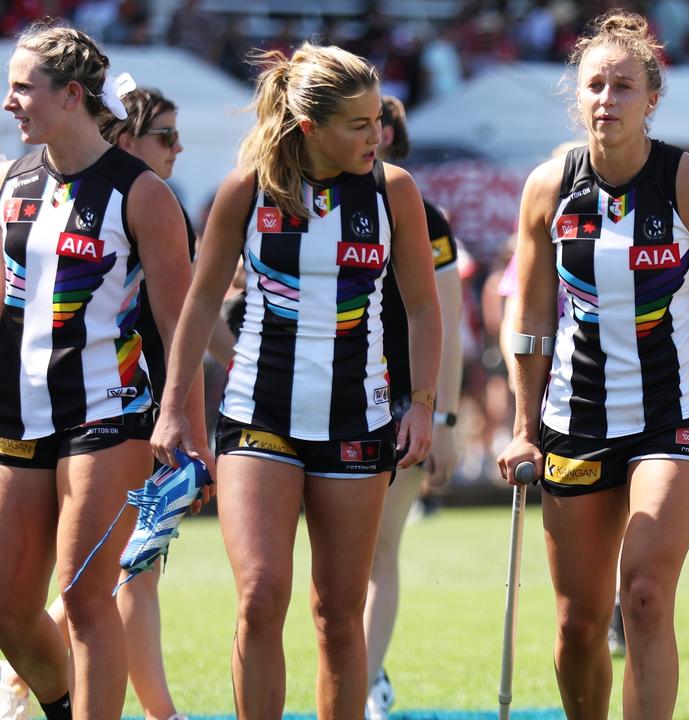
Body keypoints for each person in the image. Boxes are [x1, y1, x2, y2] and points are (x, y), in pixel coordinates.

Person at [150, 43, 442, 719]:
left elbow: (425, 309)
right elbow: (197, 303)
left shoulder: (394, 190)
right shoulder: (246, 188)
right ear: (311, 127)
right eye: (360, 124)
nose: (378, 136)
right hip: (259, 416)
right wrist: (173, 409)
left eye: (379, 121)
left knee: (337, 615)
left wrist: (423, 403)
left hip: (356, 421)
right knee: (258, 597)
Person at [496, 11, 689, 719]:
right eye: (595, 85)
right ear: (576, 96)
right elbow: (527, 320)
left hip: (676, 414)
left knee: (644, 595)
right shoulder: (548, 187)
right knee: (578, 624)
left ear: (652, 98)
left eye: (624, 86)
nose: (607, 100)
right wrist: (522, 426)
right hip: (574, 417)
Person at [0, 21, 207, 720]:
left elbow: (184, 324)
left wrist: (189, 432)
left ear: (72, 96)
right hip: (17, 417)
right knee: (8, 612)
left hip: (109, 416)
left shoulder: (142, 193)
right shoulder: (12, 180)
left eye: (23, 88)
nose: (10, 103)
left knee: (87, 599)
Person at [361, 95, 464, 720]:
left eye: (379, 122)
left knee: (379, 550)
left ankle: (366, 682)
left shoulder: (423, 215)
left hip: (401, 405)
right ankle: (359, 673)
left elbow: (444, 319)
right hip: (330, 402)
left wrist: (444, 418)